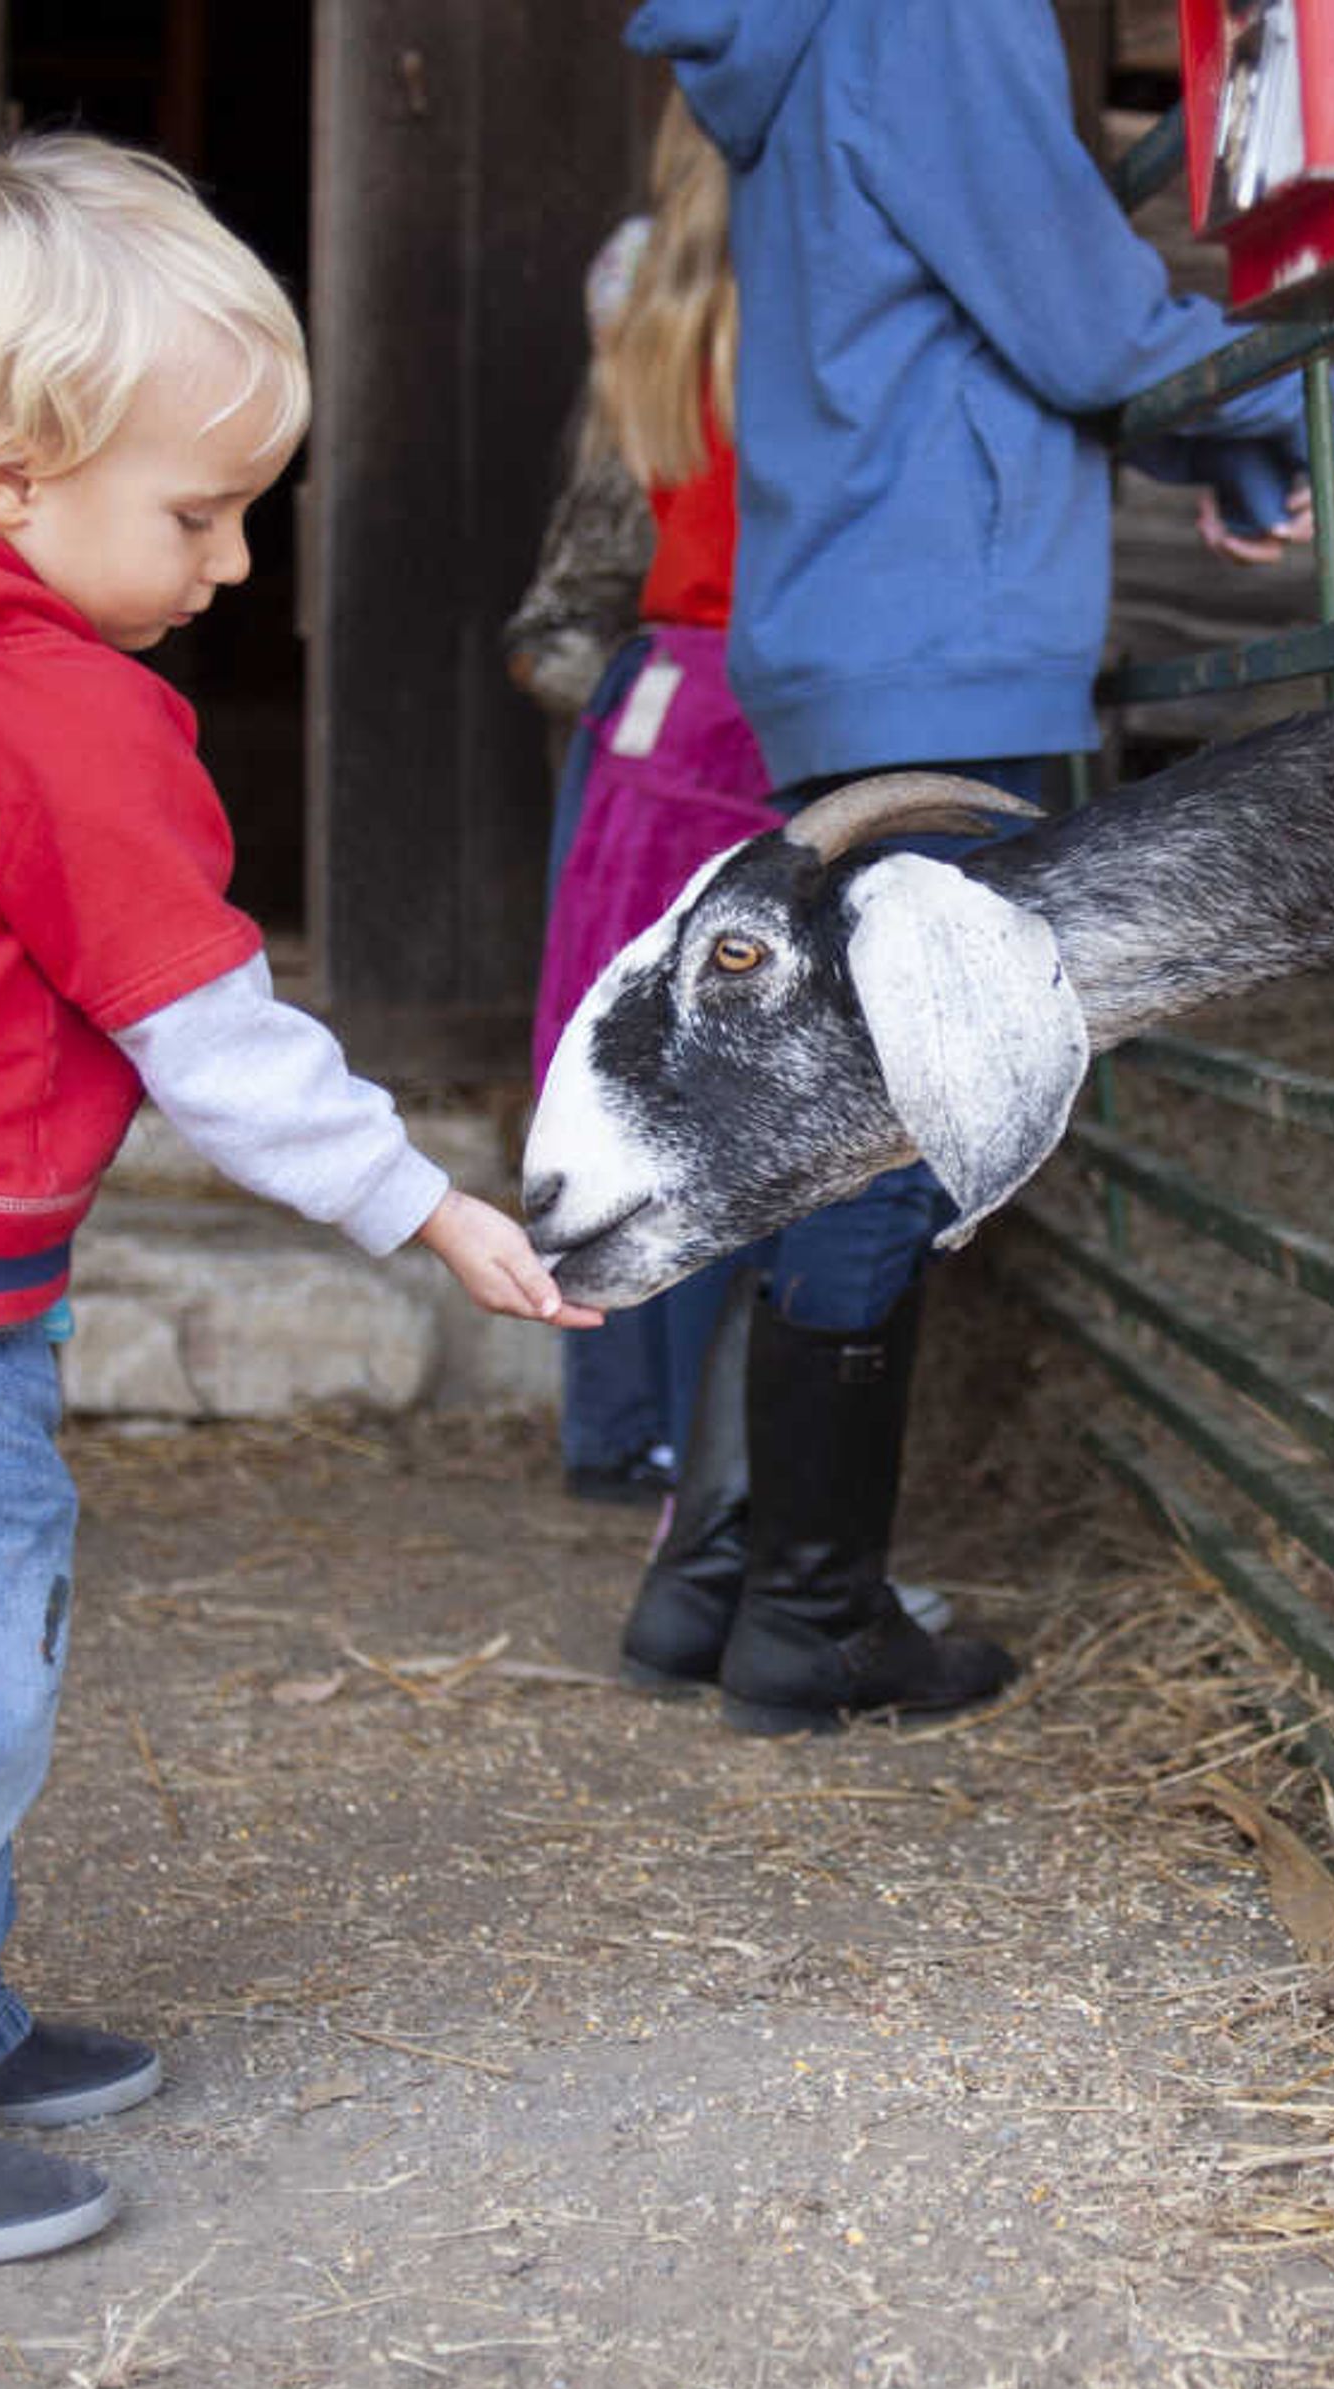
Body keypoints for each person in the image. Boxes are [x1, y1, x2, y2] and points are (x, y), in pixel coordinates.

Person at [0, 132, 591, 2265]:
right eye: (200, 511)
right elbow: (211, 1032)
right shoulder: (53, 708)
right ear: (7, 476)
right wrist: (421, 1208)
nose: (239, 565)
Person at [615, 0, 1328, 1738]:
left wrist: (1198, 429)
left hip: (845, 617)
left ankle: (718, 1575)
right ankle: (817, 1612)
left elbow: (977, 300)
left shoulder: (810, 37)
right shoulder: (934, 11)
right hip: (940, 627)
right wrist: (1267, 395)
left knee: (822, 1097)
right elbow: (1075, 304)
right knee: (900, 1114)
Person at [503, 114, 757, 1511]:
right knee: (729, 1078)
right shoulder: (813, 303)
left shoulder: (643, 288)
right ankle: (695, 1444)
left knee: (608, 1058)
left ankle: (619, 1423)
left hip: (652, 702)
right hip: (747, 707)